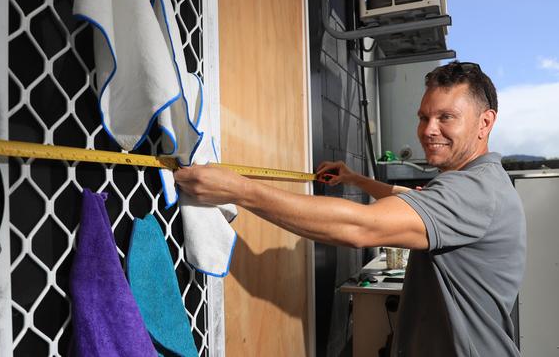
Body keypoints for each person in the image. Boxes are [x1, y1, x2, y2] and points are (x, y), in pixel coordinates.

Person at [173, 61, 526, 356]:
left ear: (485, 122)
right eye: (423, 117)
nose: (428, 130)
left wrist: (239, 190)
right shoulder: (483, 181)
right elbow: (407, 196)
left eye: (446, 117)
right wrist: (356, 179)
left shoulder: (473, 190)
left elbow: (362, 229)